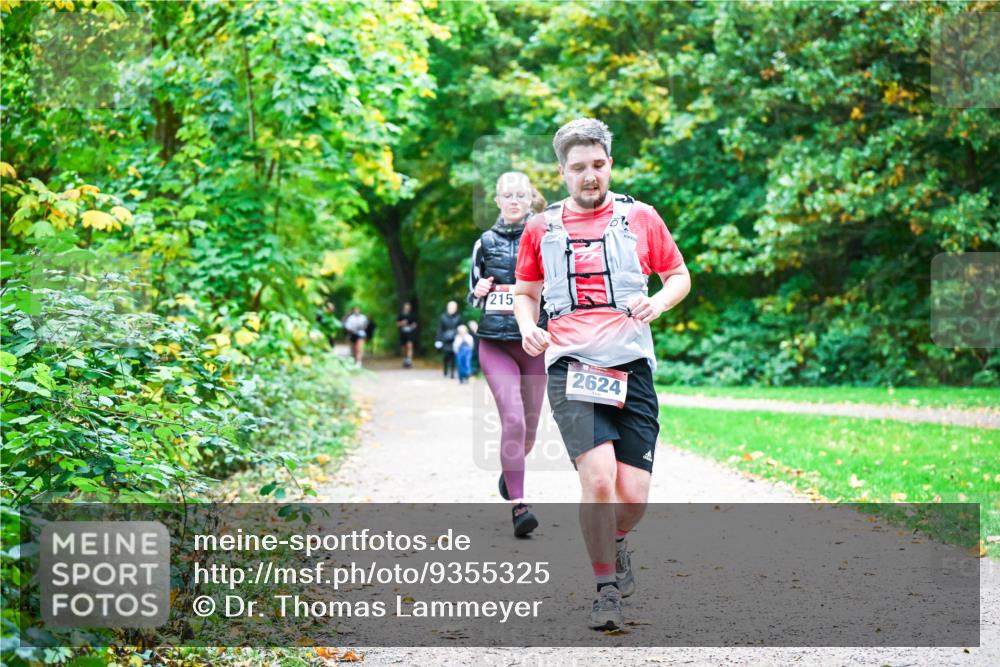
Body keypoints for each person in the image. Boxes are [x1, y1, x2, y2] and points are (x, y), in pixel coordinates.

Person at [513, 118, 691, 629]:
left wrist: (657, 302)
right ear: (562, 172)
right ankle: (604, 588)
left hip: (631, 364)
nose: (589, 176)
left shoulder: (642, 218)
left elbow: (678, 275)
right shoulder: (539, 227)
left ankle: (616, 541)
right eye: (577, 168)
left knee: (632, 499)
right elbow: (526, 291)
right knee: (597, 478)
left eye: (597, 165)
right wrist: (529, 326)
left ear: (609, 164)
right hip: (570, 364)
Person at [469, 171, 549, 537]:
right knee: (513, 422)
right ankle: (520, 506)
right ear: (498, 201)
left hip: (533, 344)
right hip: (495, 343)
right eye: (507, 195)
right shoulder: (483, 243)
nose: (514, 201)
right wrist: (481, 289)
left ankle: (510, 466)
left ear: (531, 200)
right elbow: (472, 295)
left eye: (521, 195)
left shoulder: (547, 237)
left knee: (529, 430)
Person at [435, 301, 463, 378]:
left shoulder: (459, 317)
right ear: (447, 308)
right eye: (450, 307)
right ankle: (445, 370)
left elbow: (461, 328)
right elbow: (440, 329)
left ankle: (452, 373)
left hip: (455, 340)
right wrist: (438, 340)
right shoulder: (443, 317)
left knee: (453, 357)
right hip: (445, 340)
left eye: (454, 307)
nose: (452, 309)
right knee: (446, 356)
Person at [396, 301, 418, 368]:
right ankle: (405, 359)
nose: (407, 308)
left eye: (408, 307)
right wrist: (402, 323)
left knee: (410, 345)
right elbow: (397, 324)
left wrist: (413, 326)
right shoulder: (400, 315)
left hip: (410, 333)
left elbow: (415, 325)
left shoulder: (412, 315)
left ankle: (409, 360)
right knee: (404, 348)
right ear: (404, 307)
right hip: (403, 333)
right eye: (406, 307)